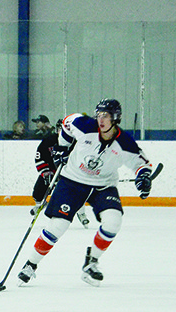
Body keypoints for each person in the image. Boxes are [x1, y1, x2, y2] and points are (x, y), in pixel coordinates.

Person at [17, 99, 154, 287]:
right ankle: (30, 265)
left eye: (105, 115)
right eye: (99, 115)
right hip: (72, 181)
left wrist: (144, 179)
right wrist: (62, 147)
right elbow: (66, 122)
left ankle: (91, 263)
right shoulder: (84, 125)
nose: (101, 119)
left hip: (103, 185)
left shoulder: (125, 143)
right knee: (58, 225)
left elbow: (142, 164)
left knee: (113, 222)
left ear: (115, 118)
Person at [31, 119, 89, 228]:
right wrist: (46, 172)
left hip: (69, 172)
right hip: (52, 171)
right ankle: (38, 204)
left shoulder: (76, 142)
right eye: (59, 130)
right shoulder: (48, 141)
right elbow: (39, 157)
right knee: (39, 187)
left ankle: (81, 213)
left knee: (76, 192)